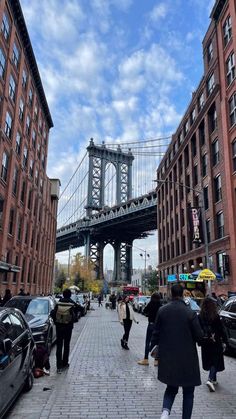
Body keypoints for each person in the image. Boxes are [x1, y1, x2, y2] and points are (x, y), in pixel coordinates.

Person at [150, 283, 203, 419]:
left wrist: (154, 348)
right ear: (183, 294)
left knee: (171, 389)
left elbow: (155, 333)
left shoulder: (162, 310)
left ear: (171, 294)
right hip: (188, 359)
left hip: (169, 357)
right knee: (188, 392)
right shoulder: (190, 313)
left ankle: (165, 412)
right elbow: (199, 336)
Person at [198, 297, 227, 392]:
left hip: (205, 342)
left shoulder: (200, 316)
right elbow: (221, 329)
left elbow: (198, 329)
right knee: (215, 360)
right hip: (215, 341)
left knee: (210, 360)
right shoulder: (215, 315)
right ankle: (210, 379)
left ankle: (214, 379)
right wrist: (225, 341)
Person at [50, 288, 77, 374]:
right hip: (68, 327)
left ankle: (59, 366)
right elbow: (78, 309)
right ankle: (65, 363)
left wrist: (56, 322)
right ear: (70, 295)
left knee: (59, 346)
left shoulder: (58, 303)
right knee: (66, 345)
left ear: (63, 294)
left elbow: (53, 314)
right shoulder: (71, 302)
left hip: (59, 327)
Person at [138, 292, 162, 366]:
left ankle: (146, 359)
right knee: (157, 343)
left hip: (151, 325)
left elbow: (144, 311)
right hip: (158, 326)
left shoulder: (150, 304)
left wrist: (149, 314)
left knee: (148, 342)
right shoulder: (160, 305)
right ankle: (156, 360)